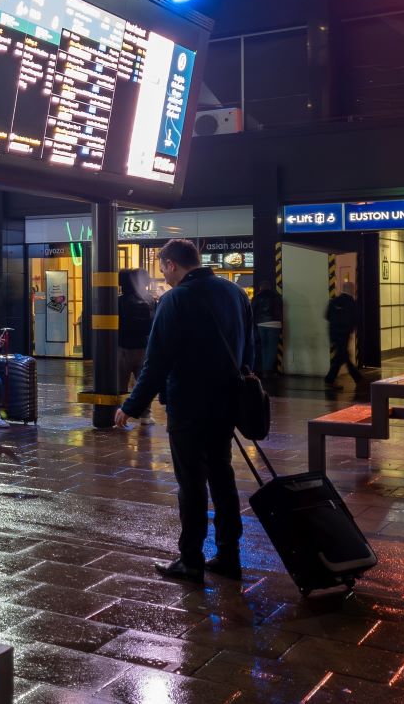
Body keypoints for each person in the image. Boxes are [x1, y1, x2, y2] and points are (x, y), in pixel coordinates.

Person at [114, 239, 254, 584]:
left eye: (163, 267)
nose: (162, 274)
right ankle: (228, 554)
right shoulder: (235, 293)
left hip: (189, 404)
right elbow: (251, 346)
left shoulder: (174, 299)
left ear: (172, 265)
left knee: (191, 483)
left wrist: (131, 405)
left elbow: (156, 361)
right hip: (226, 401)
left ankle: (190, 559)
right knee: (222, 476)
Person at [118, 269, 156, 425]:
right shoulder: (150, 300)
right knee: (143, 383)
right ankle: (145, 415)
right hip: (144, 346)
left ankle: (119, 414)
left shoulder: (118, 301)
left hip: (122, 347)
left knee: (119, 384)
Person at [325, 281, 365, 387]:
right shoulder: (351, 302)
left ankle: (331, 379)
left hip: (334, 333)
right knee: (343, 356)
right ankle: (357, 378)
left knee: (341, 356)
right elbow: (356, 318)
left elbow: (327, 316)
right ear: (351, 290)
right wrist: (352, 330)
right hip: (344, 333)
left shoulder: (334, 301)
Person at [251, 281, 283, 379]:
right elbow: (281, 309)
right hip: (275, 324)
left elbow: (252, 310)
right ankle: (267, 370)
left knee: (264, 347)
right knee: (272, 348)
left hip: (261, 324)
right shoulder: (277, 296)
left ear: (260, 288)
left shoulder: (257, 297)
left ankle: (263, 369)